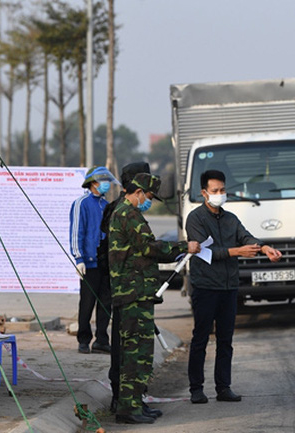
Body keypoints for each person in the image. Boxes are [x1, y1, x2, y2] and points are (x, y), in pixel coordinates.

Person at [109, 173, 201, 424]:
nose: (148, 200)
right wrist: (184, 247)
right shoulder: (127, 214)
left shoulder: (130, 213)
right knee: (134, 353)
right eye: (148, 196)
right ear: (137, 192)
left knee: (142, 352)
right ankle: (128, 409)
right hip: (132, 295)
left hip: (139, 293)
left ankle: (137, 403)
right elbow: (149, 248)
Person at [185, 169, 282, 404]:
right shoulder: (195, 219)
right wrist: (236, 252)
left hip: (229, 287)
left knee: (225, 340)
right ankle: (196, 389)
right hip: (206, 286)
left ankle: (223, 387)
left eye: (222, 190)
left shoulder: (230, 219)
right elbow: (204, 251)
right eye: (215, 191)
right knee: (200, 338)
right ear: (204, 193)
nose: (220, 194)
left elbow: (246, 237)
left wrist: (263, 248)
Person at [97, 162, 151, 414]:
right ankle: (121, 398)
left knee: (132, 344)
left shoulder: (128, 208)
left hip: (131, 286)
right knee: (125, 346)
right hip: (121, 287)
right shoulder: (120, 210)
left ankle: (134, 398)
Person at [69, 166, 118, 354]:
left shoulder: (106, 205)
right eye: (102, 181)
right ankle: (83, 339)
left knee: (106, 302)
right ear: (93, 183)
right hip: (89, 261)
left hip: (105, 261)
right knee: (87, 302)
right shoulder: (81, 203)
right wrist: (78, 257)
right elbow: (76, 232)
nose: (106, 185)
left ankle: (102, 339)